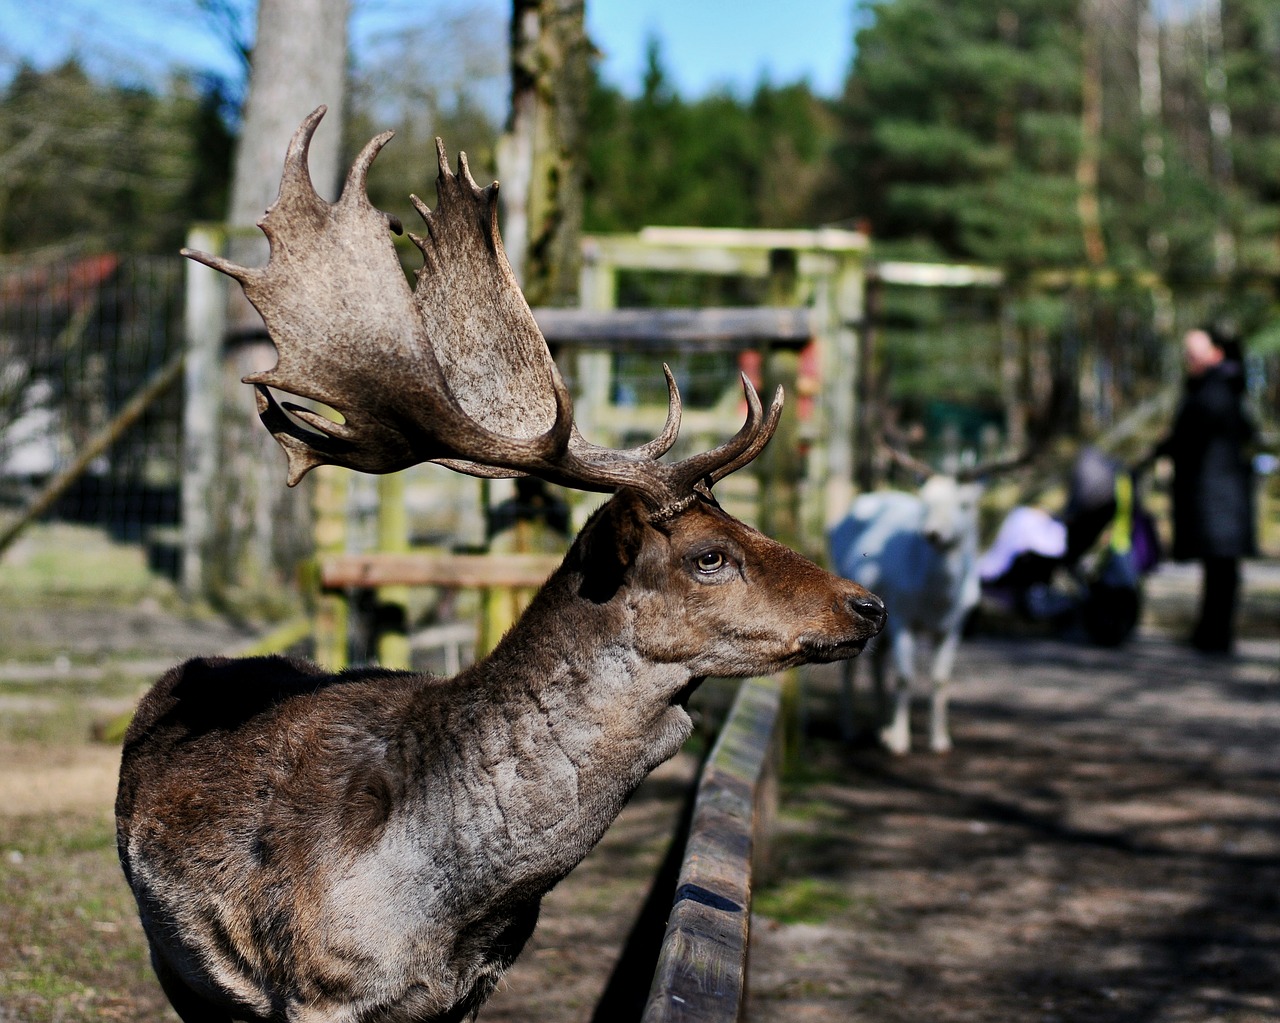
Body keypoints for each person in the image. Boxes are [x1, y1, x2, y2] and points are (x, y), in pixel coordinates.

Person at [1150, 324, 1257, 654]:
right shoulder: (1220, 389)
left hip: (1219, 493)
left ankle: (1215, 635)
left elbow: (1191, 435)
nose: (1188, 356)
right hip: (1218, 492)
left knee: (1222, 568)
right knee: (1220, 568)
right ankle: (1210, 632)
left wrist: (1166, 446)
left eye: (1194, 349)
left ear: (1215, 353)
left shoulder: (1215, 392)